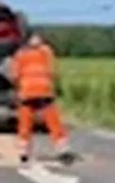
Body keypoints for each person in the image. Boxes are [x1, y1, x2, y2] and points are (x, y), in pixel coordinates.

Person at [8, 31, 76, 165]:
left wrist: (17, 88)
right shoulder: (46, 51)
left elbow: (14, 75)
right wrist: (56, 86)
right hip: (45, 91)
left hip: (27, 92)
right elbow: (52, 71)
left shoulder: (20, 54)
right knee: (53, 122)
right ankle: (62, 148)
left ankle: (24, 152)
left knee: (25, 123)